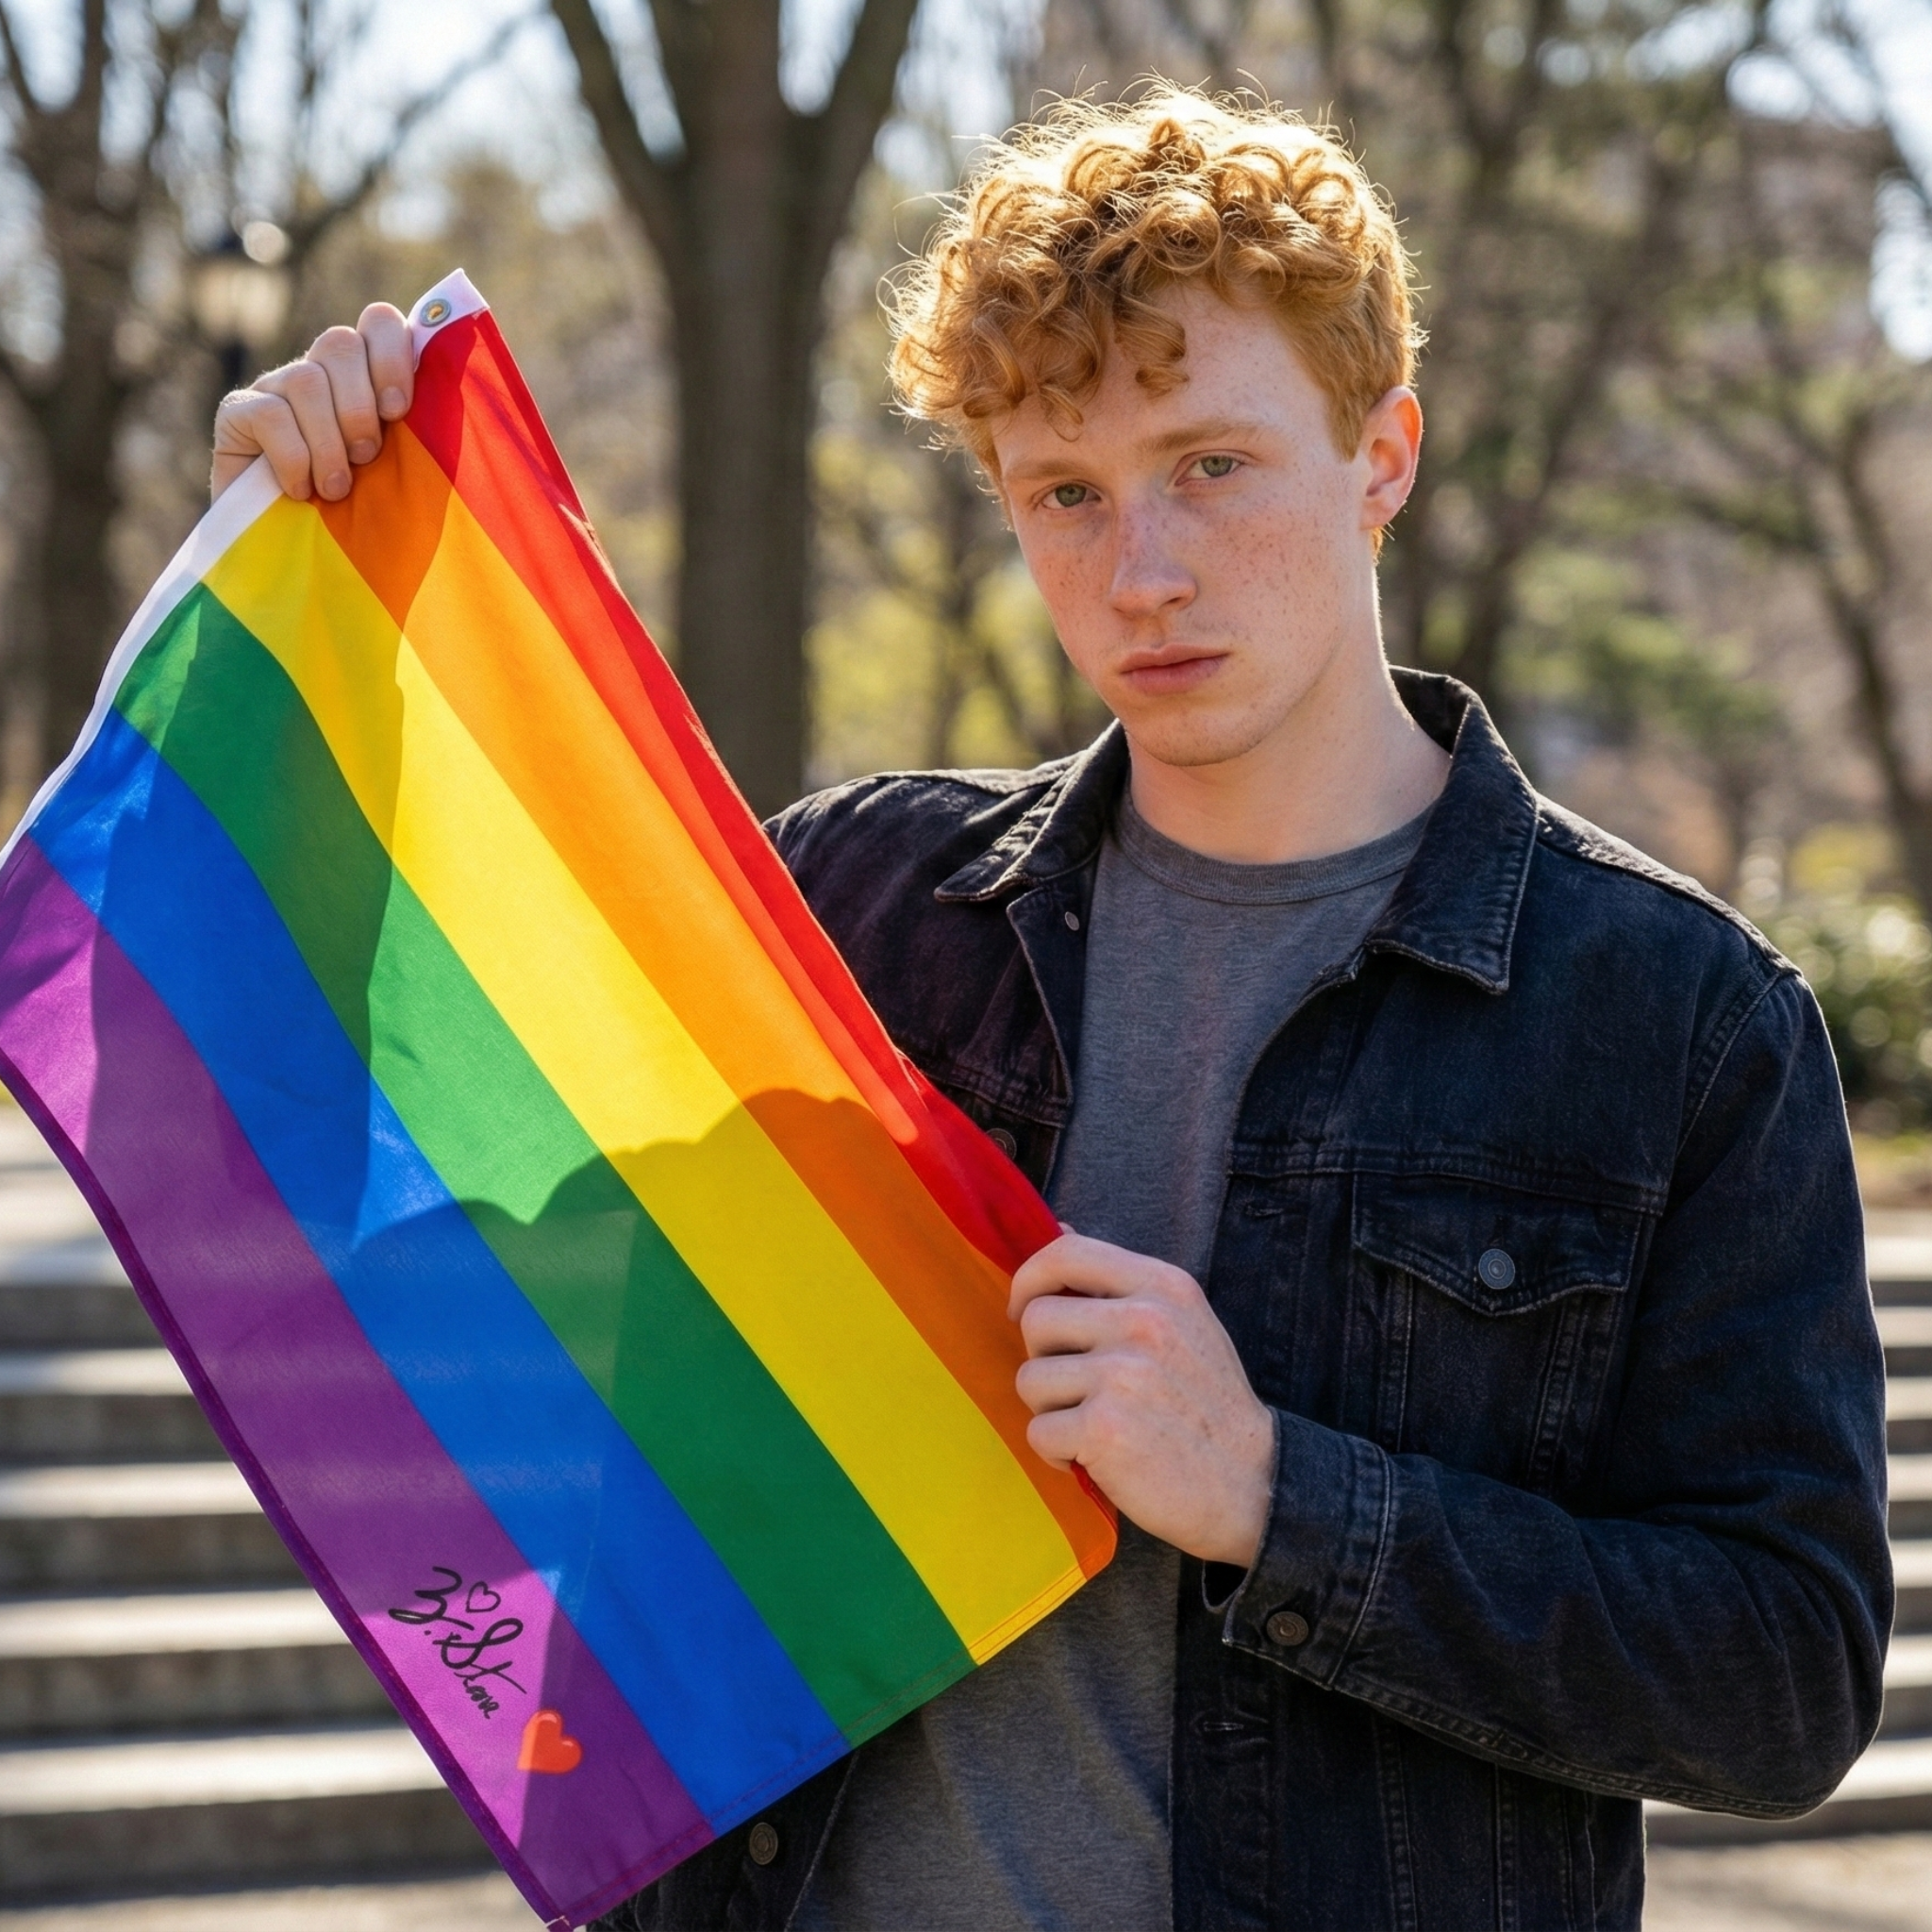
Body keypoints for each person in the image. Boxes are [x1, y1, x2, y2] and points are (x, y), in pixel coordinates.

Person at [210, 87, 1890, 1932]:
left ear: (1382, 452)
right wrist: (305, 613)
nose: (1139, 570)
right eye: (1064, 494)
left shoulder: (1674, 1020)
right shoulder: (853, 908)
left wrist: (1277, 1495)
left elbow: (1786, 1678)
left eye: (1210, 466)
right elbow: (452, 1156)